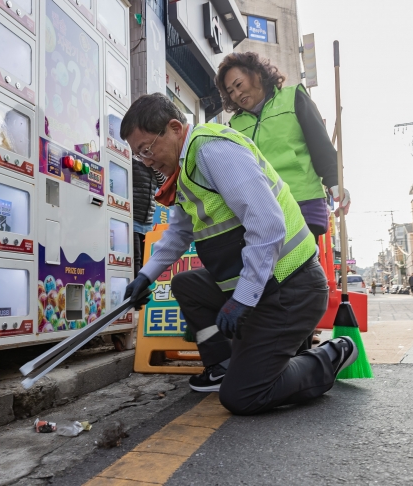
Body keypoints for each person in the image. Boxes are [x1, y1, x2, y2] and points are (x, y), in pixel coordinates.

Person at [120, 93, 358, 415]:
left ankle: (329, 356)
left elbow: (268, 223)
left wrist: (243, 298)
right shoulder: (185, 168)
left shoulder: (211, 150)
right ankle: (224, 365)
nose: (147, 161)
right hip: (267, 285)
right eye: (139, 156)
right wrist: (145, 276)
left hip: (291, 286)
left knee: (242, 397)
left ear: (175, 128)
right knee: (186, 285)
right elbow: (178, 231)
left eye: (147, 149)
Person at [215, 52, 350, 238]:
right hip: (262, 210)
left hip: (302, 201)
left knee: (302, 263)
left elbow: (320, 144)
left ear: (257, 75)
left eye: (239, 84)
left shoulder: (294, 97)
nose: (237, 94)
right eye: (230, 91)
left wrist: (335, 182)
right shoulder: (235, 125)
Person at [132, 160, 166, 276]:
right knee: (135, 258)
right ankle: (136, 291)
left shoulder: (154, 167)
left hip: (147, 222)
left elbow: (164, 185)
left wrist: (154, 165)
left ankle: (141, 289)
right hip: (133, 218)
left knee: (145, 260)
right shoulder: (132, 162)